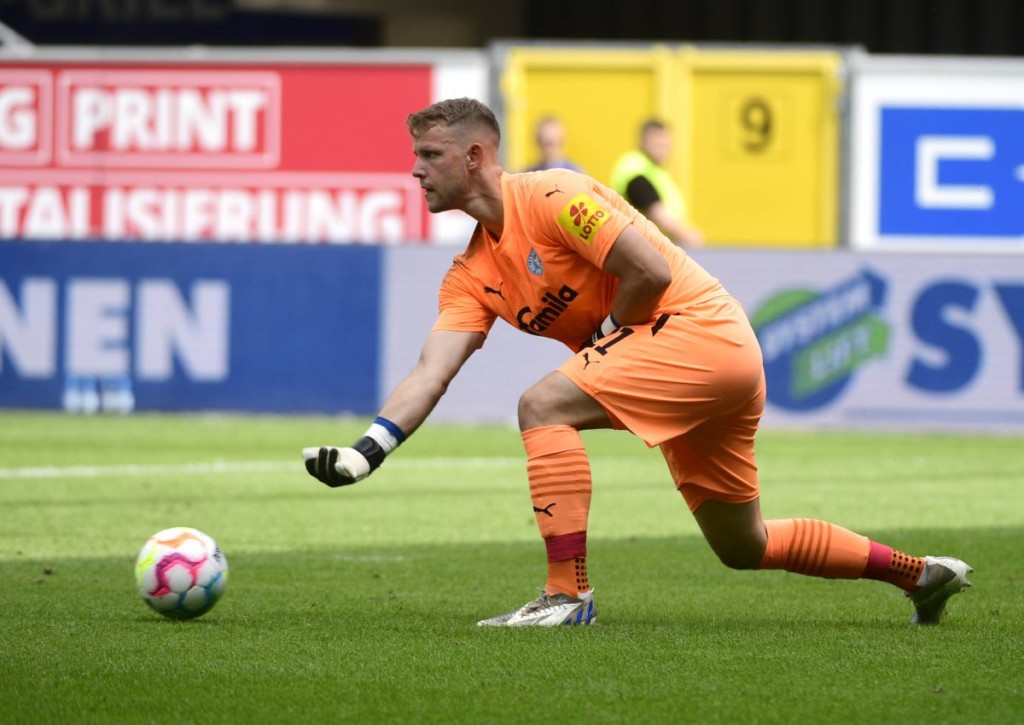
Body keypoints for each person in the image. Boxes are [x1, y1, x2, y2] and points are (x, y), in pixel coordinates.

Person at [303, 98, 972, 628]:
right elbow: (432, 370)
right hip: (691, 366)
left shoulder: (553, 194)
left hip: (701, 333)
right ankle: (920, 573)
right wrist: (369, 450)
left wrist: (605, 343)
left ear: (476, 156)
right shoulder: (470, 273)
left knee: (541, 404)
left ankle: (566, 594)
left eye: (429, 154)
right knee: (745, 545)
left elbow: (648, 269)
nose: (415, 169)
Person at [610, 118, 704, 248]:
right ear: (642, 141)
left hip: (659, 247)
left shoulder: (654, 170)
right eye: (657, 143)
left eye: (665, 144)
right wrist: (687, 235)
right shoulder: (634, 167)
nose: (663, 148)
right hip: (646, 248)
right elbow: (656, 211)